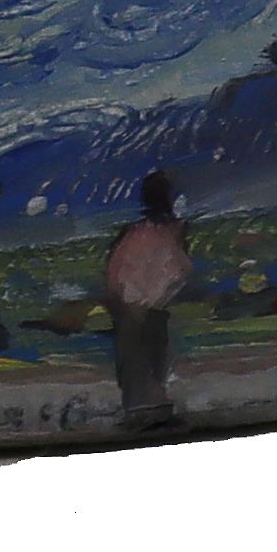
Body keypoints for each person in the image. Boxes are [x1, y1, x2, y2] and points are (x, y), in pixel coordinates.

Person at [104, 171, 192, 428]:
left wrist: (116, 298)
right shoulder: (174, 229)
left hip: (130, 303)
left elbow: (115, 268)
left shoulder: (133, 231)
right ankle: (153, 412)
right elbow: (179, 267)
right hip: (152, 304)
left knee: (136, 361)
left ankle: (142, 412)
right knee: (153, 358)